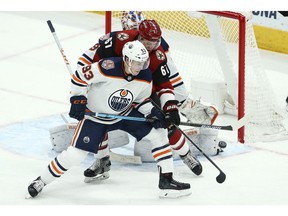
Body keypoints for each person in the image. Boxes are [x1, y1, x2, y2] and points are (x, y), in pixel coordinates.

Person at [26, 41, 191, 199]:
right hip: (95, 117)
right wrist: (77, 98)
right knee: (75, 155)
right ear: (126, 59)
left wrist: (153, 112)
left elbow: (140, 100)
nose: (140, 67)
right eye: (136, 63)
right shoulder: (107, 67)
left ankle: (166, 182)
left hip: (125, 115)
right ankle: (41, 181)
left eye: (143, 62)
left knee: (159, 133)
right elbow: (79, 76)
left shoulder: (145, 75)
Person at [77, 18, 207, 182]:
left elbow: (164, 84)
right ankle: (102, 160)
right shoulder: (118, 40)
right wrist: (84, 83)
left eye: (155, 41)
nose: (152, 45)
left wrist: (170, 107)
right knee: (99, 119)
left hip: (143, 91)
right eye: (148, 41)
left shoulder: (159, 54)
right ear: (139, 36)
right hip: (114, 88)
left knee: (166, 125)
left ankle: (186, 154)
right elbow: (90, 59)